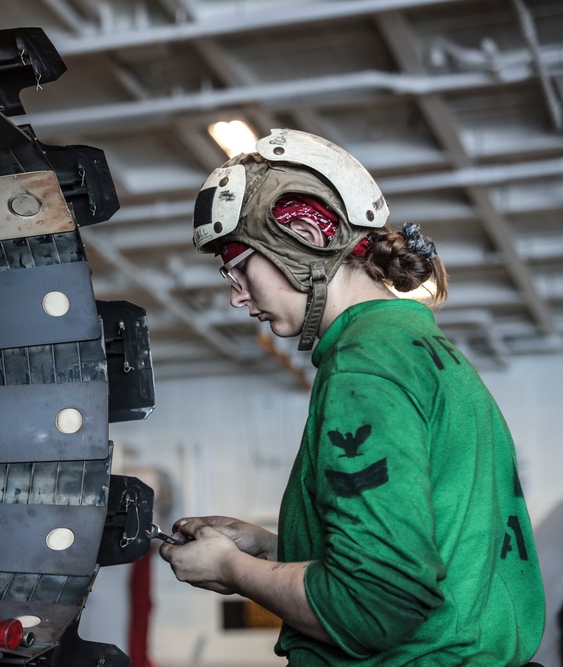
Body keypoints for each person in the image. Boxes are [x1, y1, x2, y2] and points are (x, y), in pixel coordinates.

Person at [159, 128, 545, 665]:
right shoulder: (423, 350)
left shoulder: (364, 367)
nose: (235, 295)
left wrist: (232, 570)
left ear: (303, 240)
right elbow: (433, 557)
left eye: (240, 265)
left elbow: (372, 606)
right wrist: (272, 548)